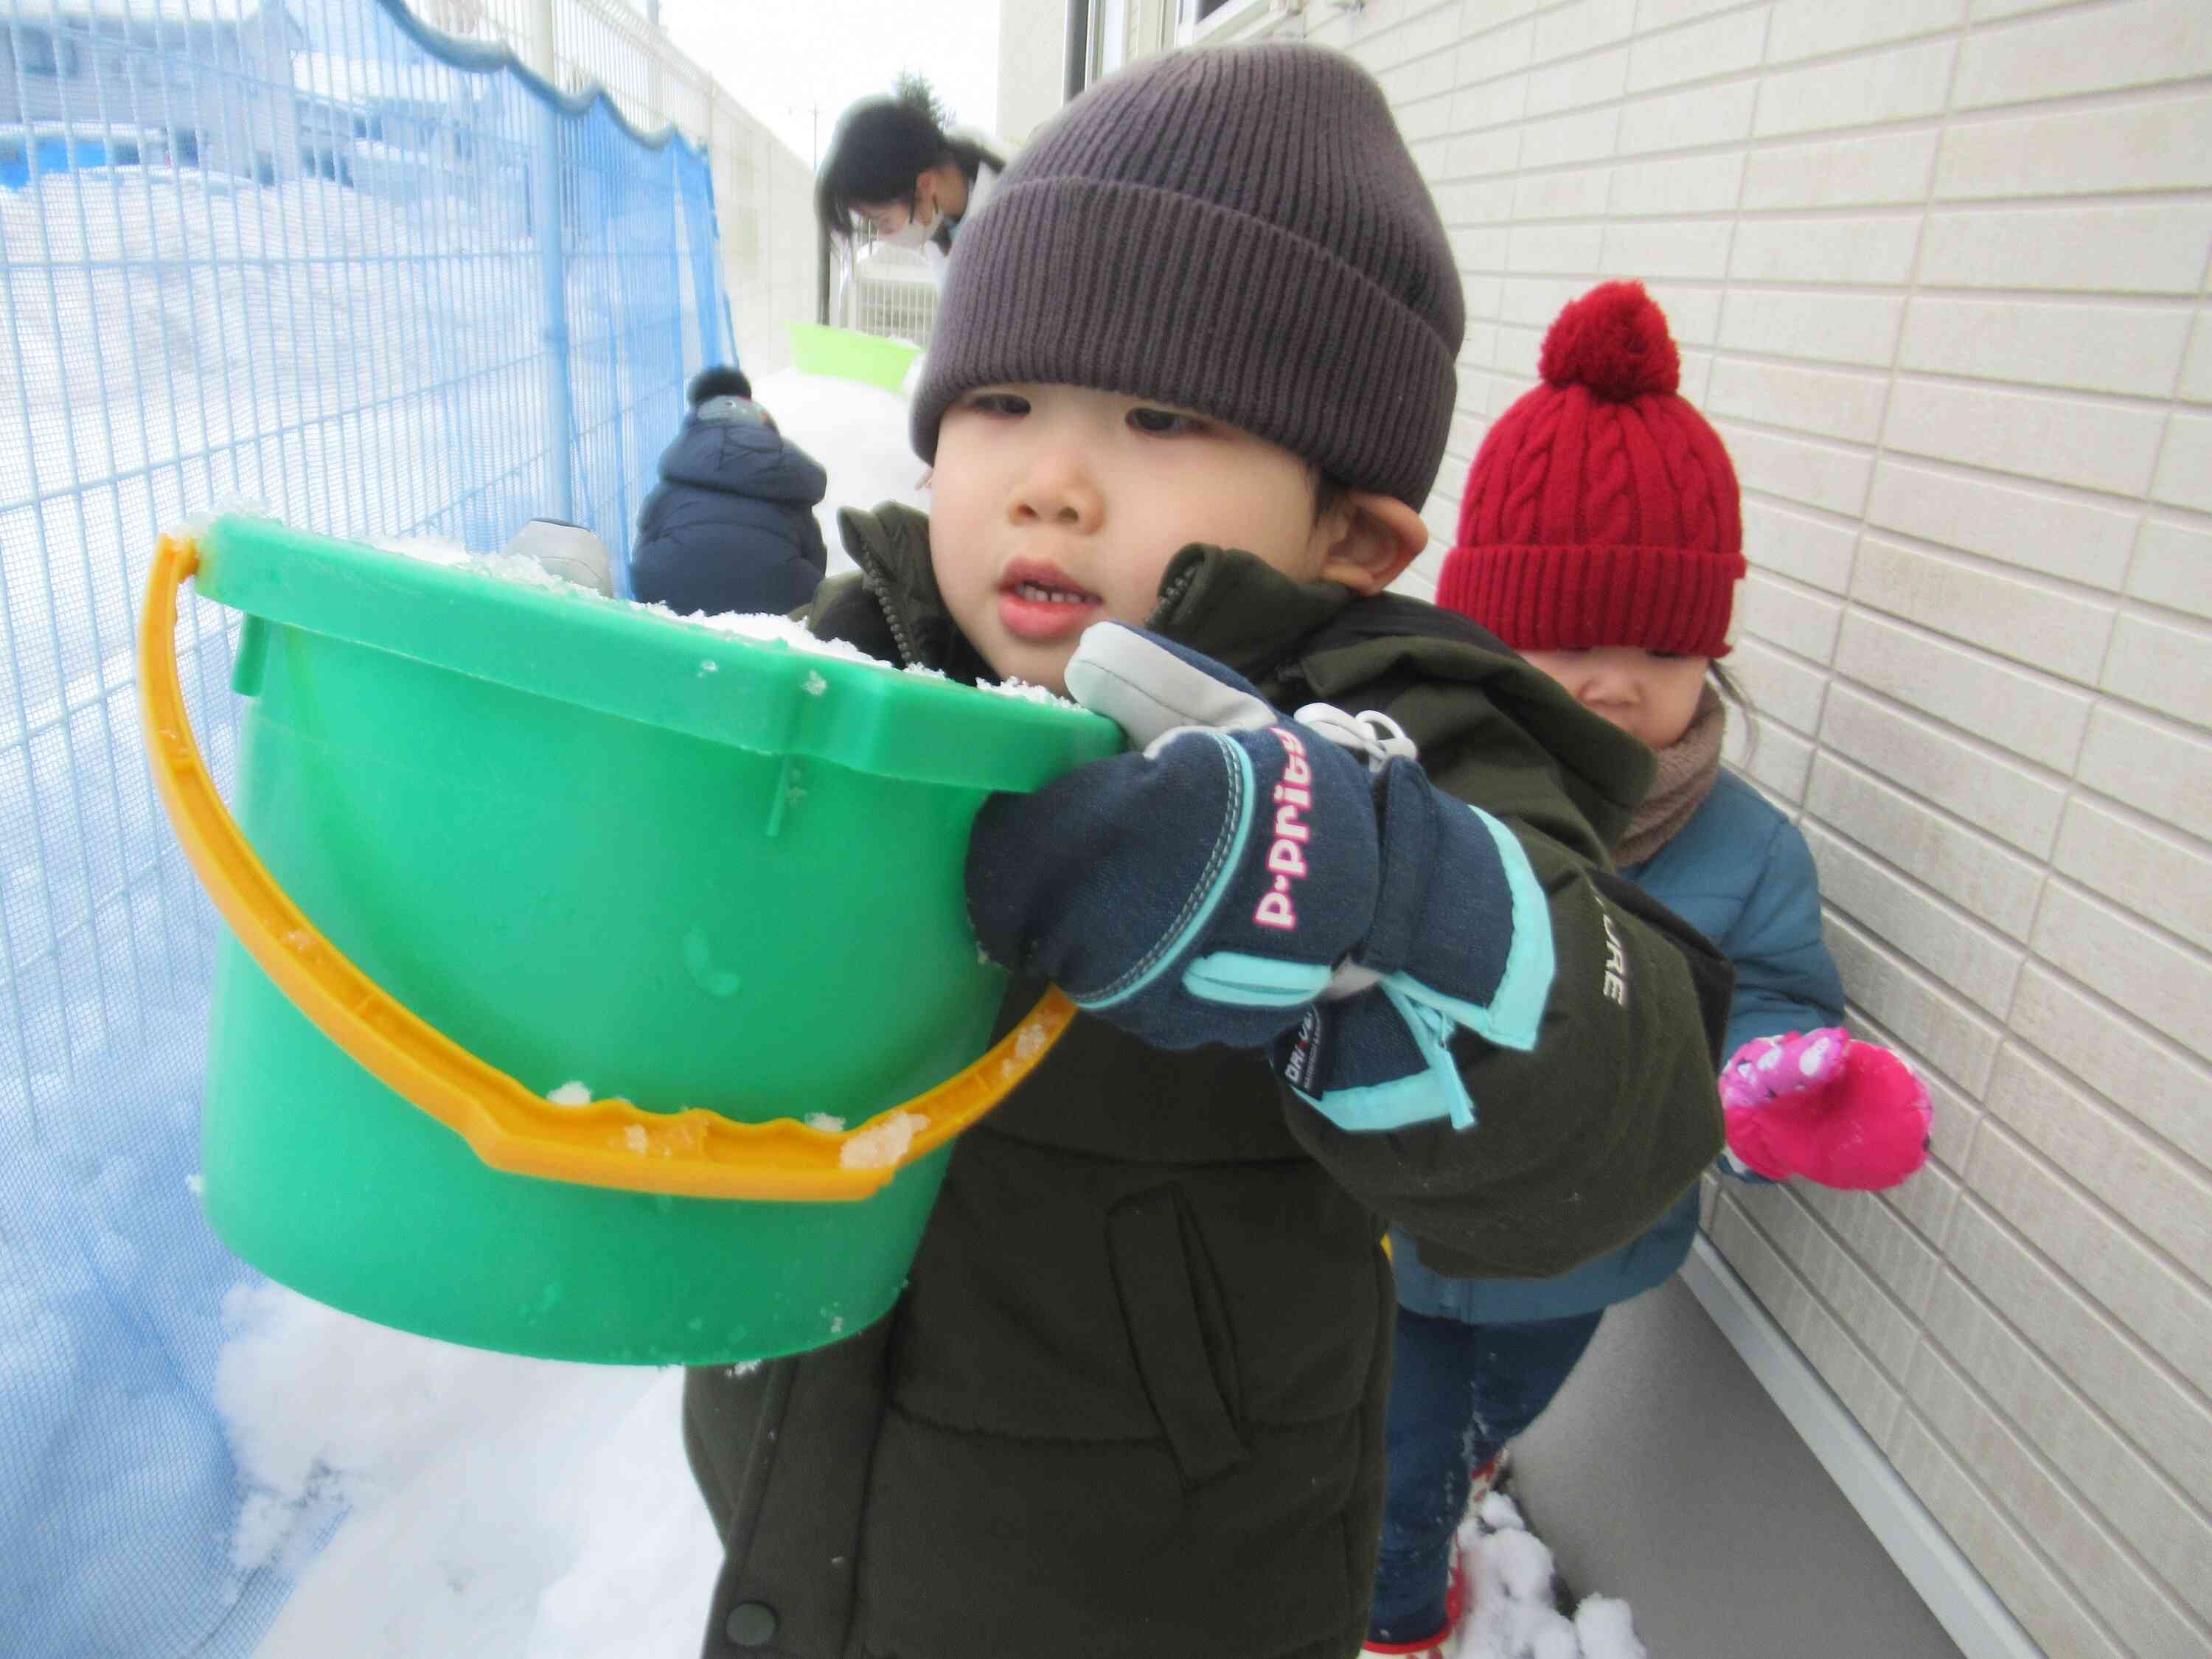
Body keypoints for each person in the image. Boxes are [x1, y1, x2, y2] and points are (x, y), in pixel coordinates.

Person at [684, 50, 1738, 1659]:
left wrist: (1369, 884)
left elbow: (1627, 1104)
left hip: (1162, 1584)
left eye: (1161, 417)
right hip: (811, 1499)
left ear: (1351, 535)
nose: (1051, 476)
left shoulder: (1402, 741)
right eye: (1003, 403)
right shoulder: (866, 665)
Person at [1364, 282, 1933, 1659]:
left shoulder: (1744, 853)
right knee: (1394, 1468)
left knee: (1498, 1406)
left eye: (1660, 649)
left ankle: (1471, 1465)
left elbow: (1780, 992)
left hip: (1583, 1252)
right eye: (1565, 642)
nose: (1612, 685)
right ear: (1484, 635)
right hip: (1390, 1234)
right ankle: (1390, 1620)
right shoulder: (1406, 791)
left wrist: (1769, 1079)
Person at [629, 366, 830, 618]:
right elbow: (815, 555)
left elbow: (646, 536)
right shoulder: (783, 463)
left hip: (671, 590)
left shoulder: (682, 457)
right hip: (780, 602)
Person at [815, 87, 1006, 286]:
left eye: (883, 220)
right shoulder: (948, 228)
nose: (882, 236)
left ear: (924, 185)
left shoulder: (1008, 228)